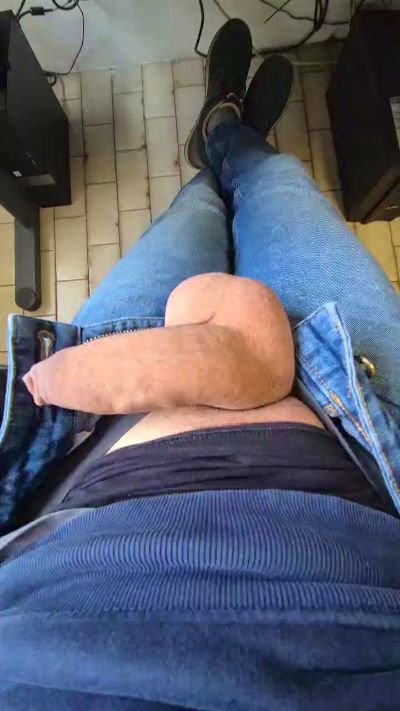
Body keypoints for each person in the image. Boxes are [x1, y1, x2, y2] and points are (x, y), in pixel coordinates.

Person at [1, 18, 400, 709]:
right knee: (281, 189)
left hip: (81, 490)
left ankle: (219, 142)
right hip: (362, 447)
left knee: (190, 220)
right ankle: (234, 139)